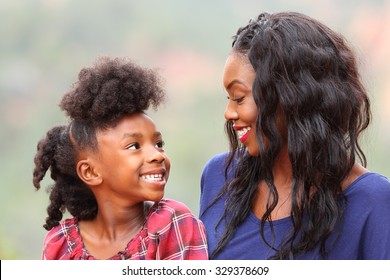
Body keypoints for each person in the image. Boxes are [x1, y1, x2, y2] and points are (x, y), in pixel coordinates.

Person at [199, 11, 390, 260]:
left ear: (291, 97)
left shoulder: (372, 202)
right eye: (229, 98)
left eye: (239, 98)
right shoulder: (219, 176)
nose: (229, 113)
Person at [33, 56, 208, 260]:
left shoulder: (172, 224)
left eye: (158, 144)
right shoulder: (59, 244)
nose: (157, 155)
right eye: (134, 146)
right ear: (90, 172)